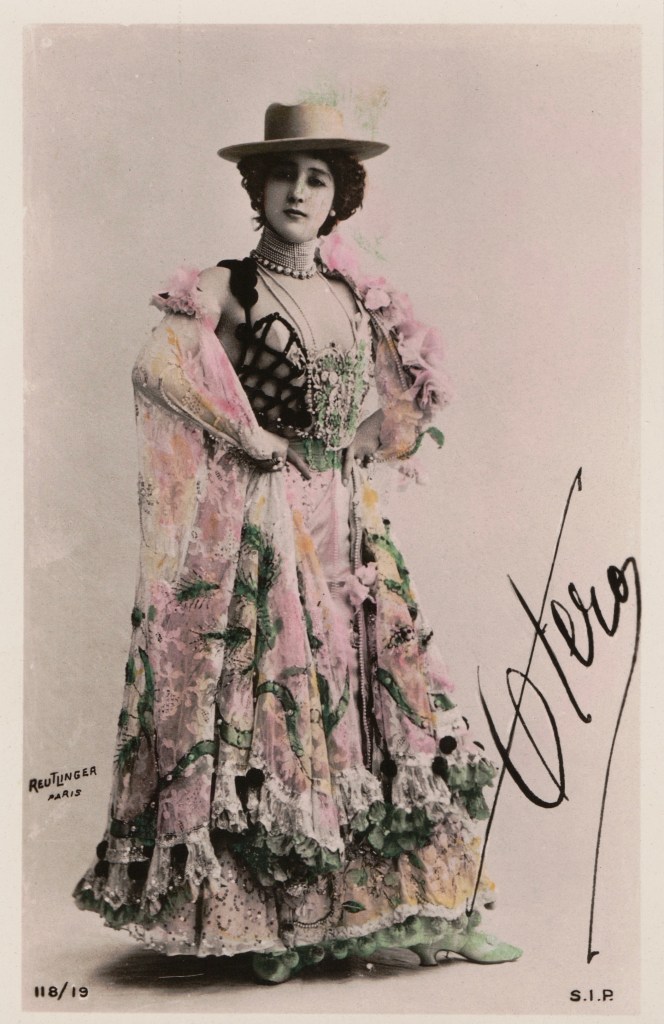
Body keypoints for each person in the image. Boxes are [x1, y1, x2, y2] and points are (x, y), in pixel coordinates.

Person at [73, 102, 521, 982]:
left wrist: (368, 441)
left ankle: (438, 906)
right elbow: (156, 366)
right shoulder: (227, 284)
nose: (299, 192)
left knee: (380, 693)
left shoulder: (355, 293)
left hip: (346, 517)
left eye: (318, 178)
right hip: (268, 519)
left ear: (338, 194)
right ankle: (288, 923)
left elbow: (407, 397)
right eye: (285, 174)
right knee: (286, 706)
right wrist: (247, 434)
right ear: (259, 185)